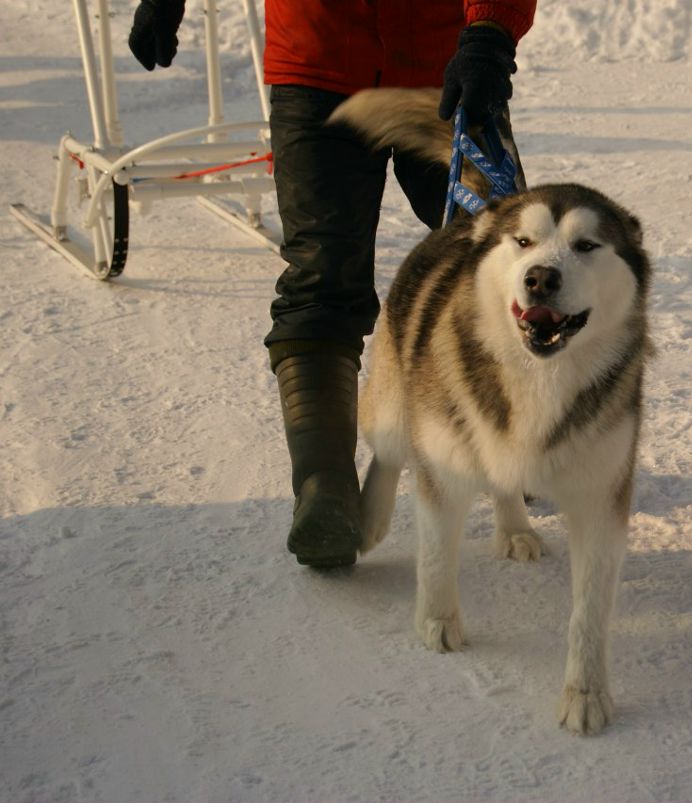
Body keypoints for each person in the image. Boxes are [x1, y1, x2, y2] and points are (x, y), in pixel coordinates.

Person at [129, 0, 538, 568]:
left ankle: (516, 439)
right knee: (321, 282)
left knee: (505, 259)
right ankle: (326, 491)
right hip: (317, 63)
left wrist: (490, 31)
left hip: (446, 65)